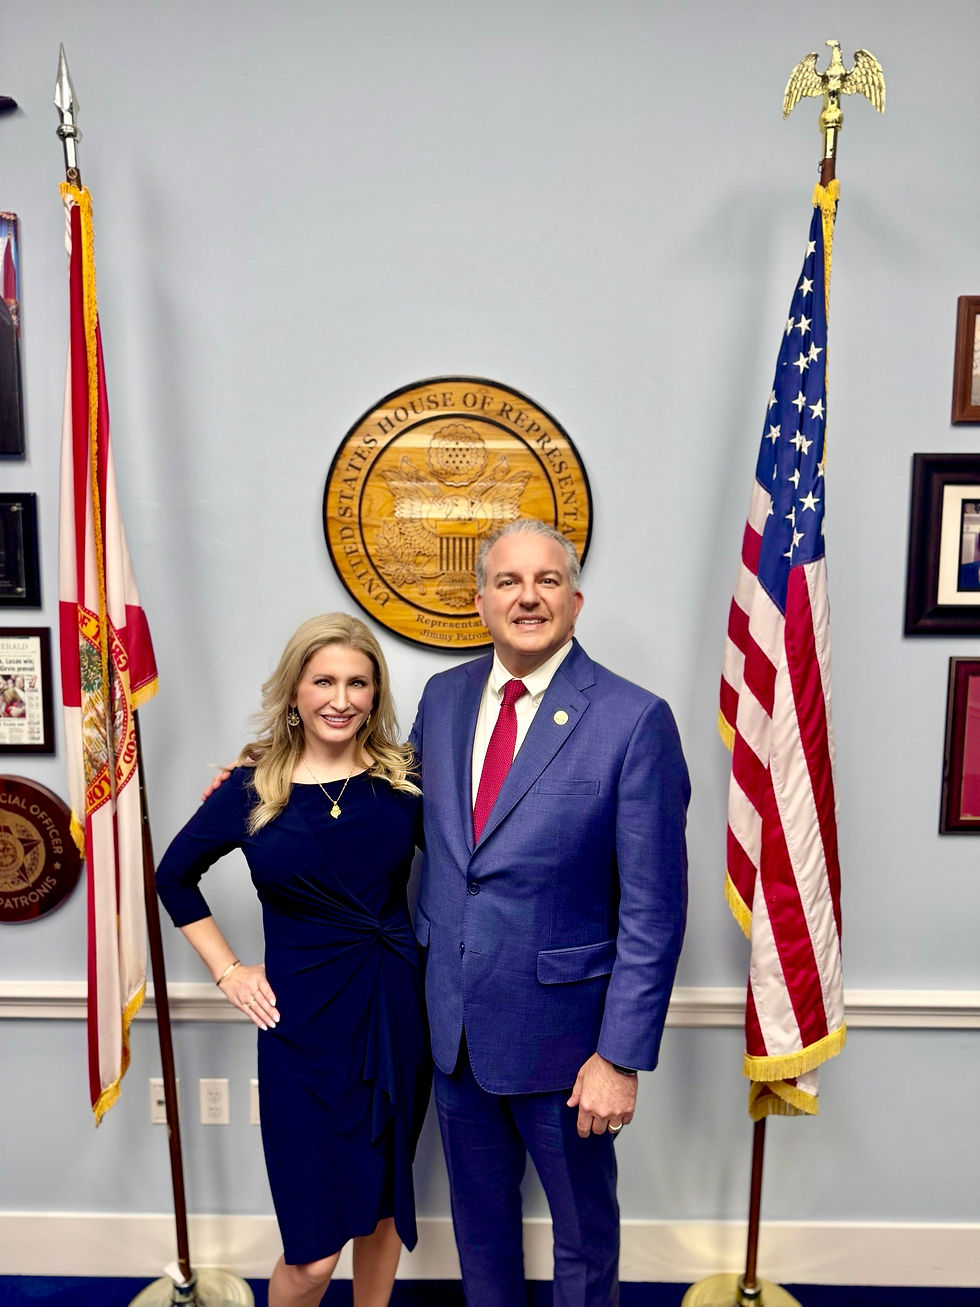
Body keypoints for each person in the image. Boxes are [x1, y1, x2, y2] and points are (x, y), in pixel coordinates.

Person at [410, 518, 690, 1307]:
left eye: (544, 581)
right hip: (455, 1028)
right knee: (480, 1230)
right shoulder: (443, 698)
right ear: (480, 601)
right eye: (507, 581)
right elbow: (397, 809)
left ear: (574, 598)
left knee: (582, 1236)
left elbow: (654, 910)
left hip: (571, 1049)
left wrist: (621, 1056)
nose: (526, 596)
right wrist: (278, 770)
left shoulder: (634, 720)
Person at [156, 613, 431, 1307]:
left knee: (384, 1206)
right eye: (324, 680)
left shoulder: (406, 782)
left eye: (358, 682)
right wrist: (229, 969)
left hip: (396, 1012)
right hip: (300, 1032)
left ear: (375, 695)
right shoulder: (251, 788)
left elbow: (484, 856)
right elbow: (173, 877)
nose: (341, 698)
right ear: (295, 692)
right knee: (310, 1258)